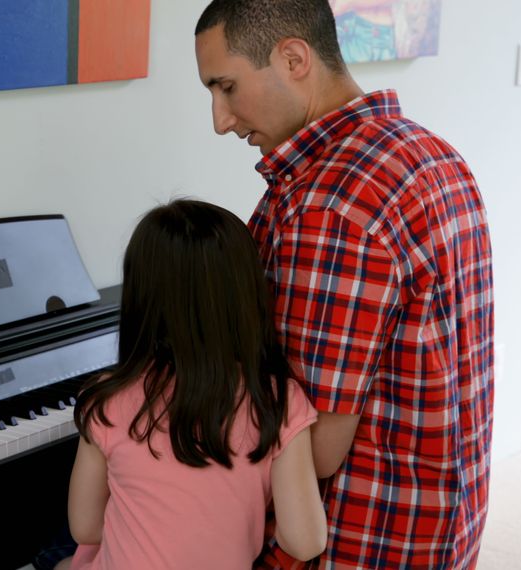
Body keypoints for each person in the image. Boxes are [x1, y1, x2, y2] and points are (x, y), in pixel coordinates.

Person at [193, 1, 494, 568]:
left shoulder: (332, 204)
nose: (220, 119)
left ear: (294, 58)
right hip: (443, 519)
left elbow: (316, 447)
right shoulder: (431, 153)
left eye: (226, 87)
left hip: (359, 535)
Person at [63, 199, 327, 569]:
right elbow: (305, 542)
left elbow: (86, 528)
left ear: (142, 296)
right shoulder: (278, 400)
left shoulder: (107, 398)